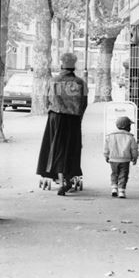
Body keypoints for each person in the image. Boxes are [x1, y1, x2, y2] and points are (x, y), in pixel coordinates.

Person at [36, 52, 88, 196]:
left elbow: (46, 101)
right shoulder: (80, 83)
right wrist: (78, 117)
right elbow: (84, 103)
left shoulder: (54, 81)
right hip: (73, 119)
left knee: (55, 146)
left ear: (61, 65)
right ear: (74, 66)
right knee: (71, 148)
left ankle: (55, 174)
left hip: (56, 118)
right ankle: (69, 175)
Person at [104, 116, 138, 198]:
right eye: (129, 126)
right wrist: (135, 157)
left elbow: (106, 148)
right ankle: (121, 191)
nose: (130, 128)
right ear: (126, 127)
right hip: (125, 160)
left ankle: (114, 188)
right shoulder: (130, 137)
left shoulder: (110, 136)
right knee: (123, 174)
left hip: (113, 159)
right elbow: (134, 149)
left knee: (114, 173)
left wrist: (106, 156)